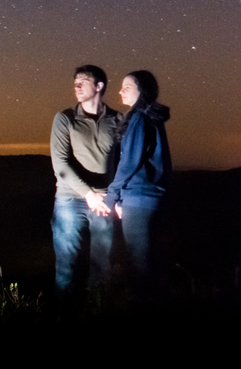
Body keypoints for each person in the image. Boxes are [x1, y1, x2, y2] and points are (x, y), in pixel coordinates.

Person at [51, 65, 121, 298]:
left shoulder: (117, 120)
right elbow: (60, 164)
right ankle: (63, 311)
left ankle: (96, 310)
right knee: (66, 265)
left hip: (105, 200)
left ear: (99, 86)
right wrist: (89, 194)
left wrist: (117, 197)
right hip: (70, 199)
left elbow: (122, 162)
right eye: (75, 83)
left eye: (83, 82)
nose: (77, 87)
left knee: (103, 264)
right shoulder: (66, 118)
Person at [106, 70, 171, 292]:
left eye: (127, 87)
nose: (120, 91)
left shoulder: (140, 118)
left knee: (139, 265)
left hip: (139, 199)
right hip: (147, 199)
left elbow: (129, 162)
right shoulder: (149, 118)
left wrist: (111, 197)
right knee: (146, 260)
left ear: (141, 90)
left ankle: (144, 306)